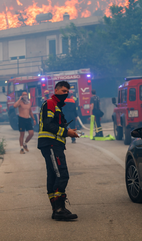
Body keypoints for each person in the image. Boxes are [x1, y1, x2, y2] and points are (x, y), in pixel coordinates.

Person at [38, 81, 79, 221]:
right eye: (63, 91)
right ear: (55, 90)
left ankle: (56, 210)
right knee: (62, 174)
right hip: (50, 145)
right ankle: (59, 209)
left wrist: (67, 133)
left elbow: (56, 125)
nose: (65, 93)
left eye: (67, 91)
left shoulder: (56, 106)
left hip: (53, 145)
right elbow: (49, 125)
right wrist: (67, 133)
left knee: (54, 176)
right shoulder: (50, 103)